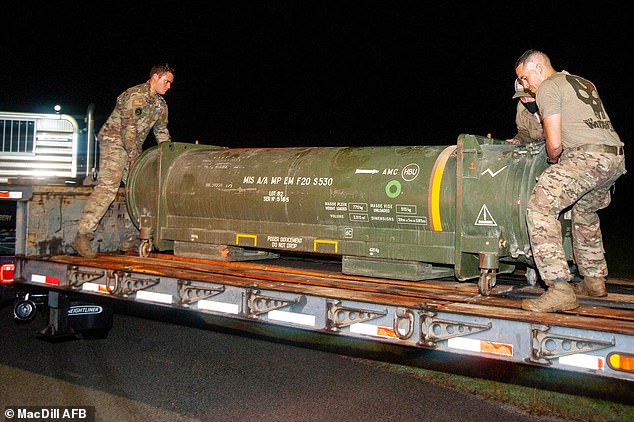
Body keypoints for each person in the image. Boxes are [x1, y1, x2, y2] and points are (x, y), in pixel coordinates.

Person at [515, 50, 625, 312]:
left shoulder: (547, 87)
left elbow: (554, 144)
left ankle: (559, 288)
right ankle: (593, 280)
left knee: (540, 207)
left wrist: (554, 161)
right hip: (614, 158)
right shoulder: (582, 82)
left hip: (586, 157)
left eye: (526, 78)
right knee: (585, 212)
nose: (526, 86)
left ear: (539, 69)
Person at [72, 63, 175, 258]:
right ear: (155, 77)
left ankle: (131, 238)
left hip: (132, 148)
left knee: (136, 190)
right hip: (114, 142)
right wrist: (135, 157)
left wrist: (169, 155)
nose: (168, 86)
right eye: (166, 81)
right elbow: (129, 130)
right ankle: (82, 235)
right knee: (108, 187)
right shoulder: (135, 95)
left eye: (170, 83)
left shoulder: (160, 105)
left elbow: (161, 132)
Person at [508, 79, 544, 145]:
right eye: (522, 97)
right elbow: (524, 131)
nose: (526, 101)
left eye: (530, 96)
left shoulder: (551, 104)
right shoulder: (521, 108)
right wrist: (518, 140)